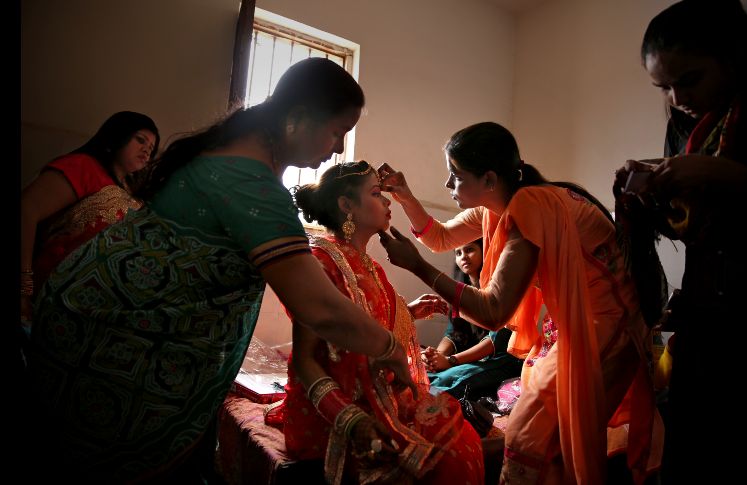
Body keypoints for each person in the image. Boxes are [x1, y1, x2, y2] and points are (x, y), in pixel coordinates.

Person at [27, 58, 415, 483]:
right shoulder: (251, 184)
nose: (339, 147)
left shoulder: (237, 158)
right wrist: (393, 349)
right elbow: (319, 310)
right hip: (108, 345)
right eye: (338, 131)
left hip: (91, 317)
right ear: (299, 118)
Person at [377, 122, 662, 484]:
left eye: (456, 175)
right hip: (579, 324)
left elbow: (494, 311)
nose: (448, 185)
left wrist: (417, 266)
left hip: (607, 327)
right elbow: (440, 237)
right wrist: (404, 195)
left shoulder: (531, 207)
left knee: (538, 431)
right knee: (541, 425)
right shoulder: (495, 207)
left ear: (490, 179)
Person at [269, 160, 484, 484]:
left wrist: (407, 313)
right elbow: (304, 360)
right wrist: (351, 420)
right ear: (346, 205)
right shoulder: (320, 264)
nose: (386, 202)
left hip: (376, 396)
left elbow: (364, 323)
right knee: (446, 451)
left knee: (460, 437)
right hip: (336, 411)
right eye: (375, 193)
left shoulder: (371, 266)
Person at [613, 1, 747, 481]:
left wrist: (726, 175)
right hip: (702, 311)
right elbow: (693, 226)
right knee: (688, 439)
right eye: (664, 87)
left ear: (733, 58)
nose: (676, 98)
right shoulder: (686, 125)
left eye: (688, 81)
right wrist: (647, 194)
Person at [20, 111, 160, 327]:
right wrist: (23, 286)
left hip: (92, 315)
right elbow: (27, 208)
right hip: (46, 297)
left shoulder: (134, 198)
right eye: (140, 140)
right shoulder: (84, 167)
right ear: (117, 136)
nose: (146, 151)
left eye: (151, 148)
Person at [423, 239, 524, 401]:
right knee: (425, 374)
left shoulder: (501, 289)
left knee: (445, 384)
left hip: (501, 360)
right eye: (458, 253)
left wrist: (450, 361)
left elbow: (494, 342)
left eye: (469, 249)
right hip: (472, 358)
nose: (463, 256)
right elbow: (453, 332)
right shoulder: (460, 290)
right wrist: (436, 356)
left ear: (484, 251)